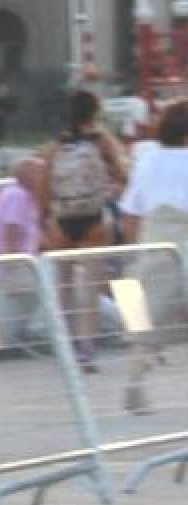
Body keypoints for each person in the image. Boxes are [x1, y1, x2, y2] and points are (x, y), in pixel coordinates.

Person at [40, 89, 127, 372]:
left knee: (62, 285)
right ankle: (87, 349)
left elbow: (43, 185)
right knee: (90, 287)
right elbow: (125, 174)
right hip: (93, 218)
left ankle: (64, 344)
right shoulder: (103, 142)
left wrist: (46, 216)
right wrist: (112, 190)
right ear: (95, 113)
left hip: (62, 218)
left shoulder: (54, 146)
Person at [116, 98, 188, 414]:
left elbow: (130, 212)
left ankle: (134, 382)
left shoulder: (146, 159)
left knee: (148, 325)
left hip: (154, 241)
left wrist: (134, 253)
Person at [0, 157, 46, 348]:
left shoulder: (24, 196)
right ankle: (25, 335)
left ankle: (25, 333)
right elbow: (12, 232)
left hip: (17, 263)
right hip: (11, 266)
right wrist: (12, 269)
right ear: (28, 176)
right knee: (49, 287)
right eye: (42, 173)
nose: (46, 178)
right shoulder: (18, 196)